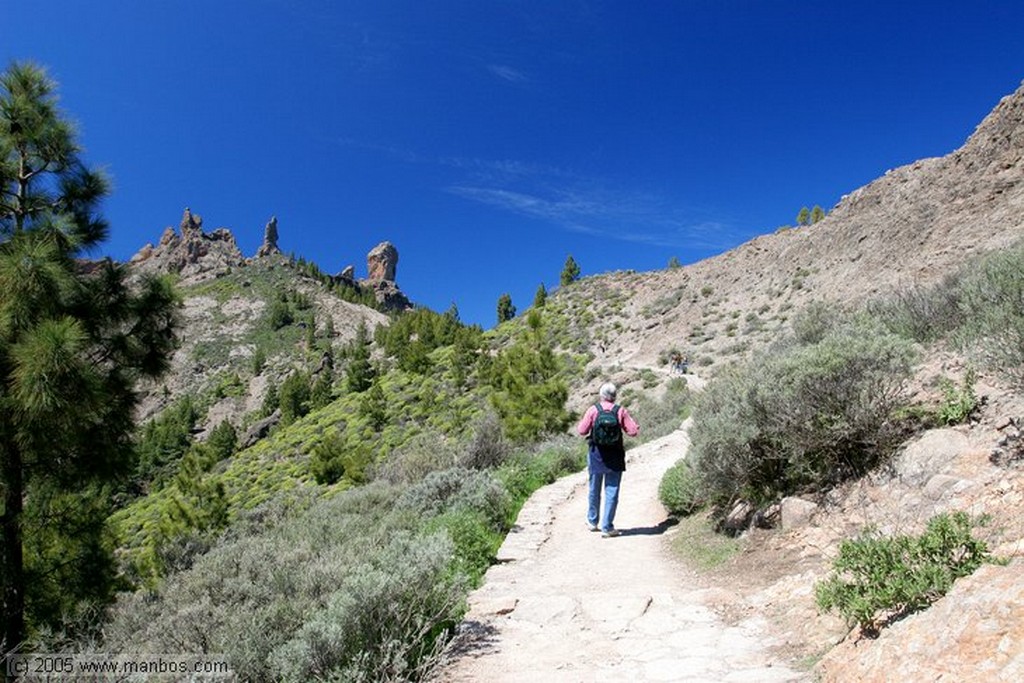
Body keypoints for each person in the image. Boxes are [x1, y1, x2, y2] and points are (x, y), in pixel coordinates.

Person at [576, 382, 639, 537]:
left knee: (594, 488)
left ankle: (592, 521)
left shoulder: (593, 410)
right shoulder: (620, 411)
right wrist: (635, 425)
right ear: (615, 396)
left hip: (596, 454)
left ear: (601, 395)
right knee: (612, 490)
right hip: (615, 455)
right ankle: (607, 527)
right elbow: (632, 432)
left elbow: (582, 430)